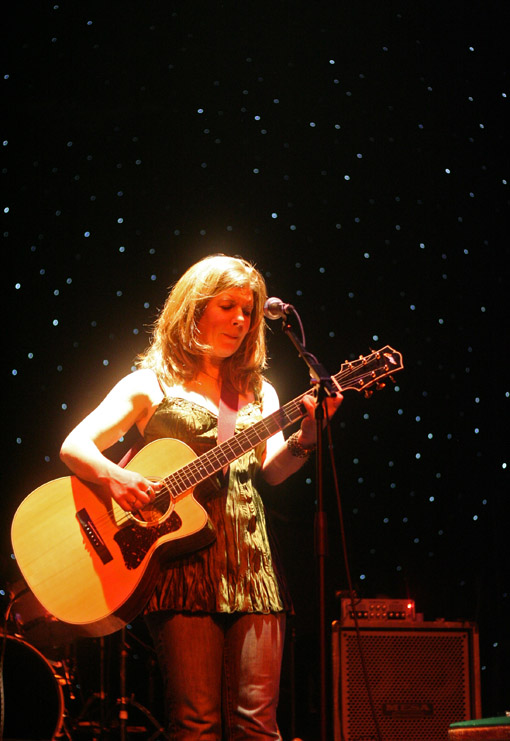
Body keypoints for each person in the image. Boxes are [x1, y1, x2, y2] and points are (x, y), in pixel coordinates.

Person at [60, 254, 342, 740]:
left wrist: (308, 436)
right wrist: (116, 480)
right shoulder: (151, 383)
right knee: (195, 725)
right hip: (180, 572)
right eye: (227, 306)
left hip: (253, 570)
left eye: (248, 311)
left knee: (259, 727)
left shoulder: (260, 392)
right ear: (195, 310)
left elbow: (271, 473)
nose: (240, 319)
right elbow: (75, 446)